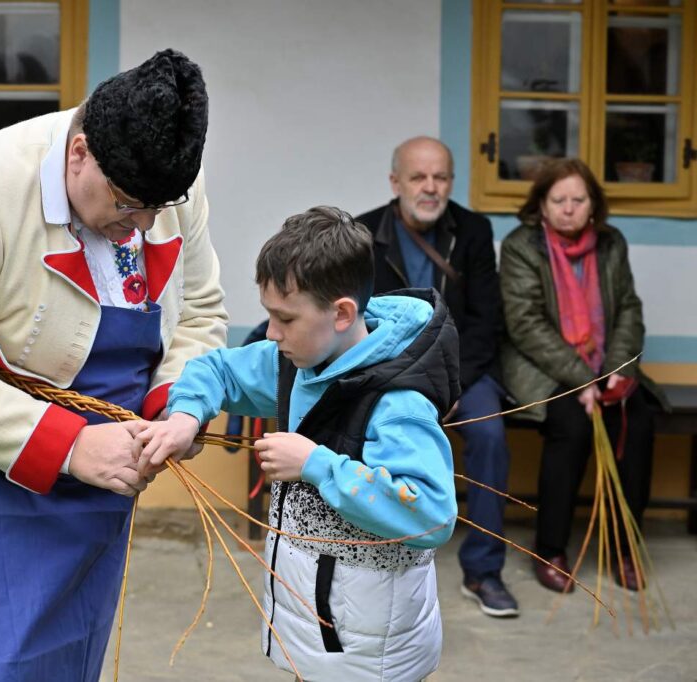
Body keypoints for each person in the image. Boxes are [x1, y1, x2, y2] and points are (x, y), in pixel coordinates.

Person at [0, 49, 226, 679]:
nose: (142, 228)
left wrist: (180, 407)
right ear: (79, 154)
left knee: (66, 660)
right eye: (128, 204)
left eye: (157, 209)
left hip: (108, 469)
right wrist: (71, 448)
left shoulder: (165, 184)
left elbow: (201, 311)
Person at [135, 206, 459, 681]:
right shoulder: (297, 361)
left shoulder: (398, 405)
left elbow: (430, 513)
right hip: (315, 624)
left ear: (343, 313)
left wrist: (317, 465)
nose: (271, 332)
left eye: (285, 318)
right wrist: (186, 416)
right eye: (269, 315)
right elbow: (218, 369)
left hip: (371, 648)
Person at [357, 136, 519, 617]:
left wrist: (450, 384)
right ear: (395, 182)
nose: (430, 188)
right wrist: (404, 382)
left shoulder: (471, 231)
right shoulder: (365, 233)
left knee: (489, 434)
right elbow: (361, 321)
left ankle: (484, 571)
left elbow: (487, 321)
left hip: (463, 373)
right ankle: (376, 559)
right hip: (391, 374)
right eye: (418, 177)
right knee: (367, 434)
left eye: (441, 177)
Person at [500, 158, 667, 593]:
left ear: (593, 205)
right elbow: (525, 323)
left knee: (638, 420)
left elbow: (628, 306)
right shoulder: (521, 245)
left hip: (607, 364)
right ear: (542, 205)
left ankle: (625, 546)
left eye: (578, 200)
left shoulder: (612, 243)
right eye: (559, 200)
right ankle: (550, 547)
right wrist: (580, 379)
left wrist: (614, 372)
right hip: (543, 368)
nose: (569, 209)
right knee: (571, 426)